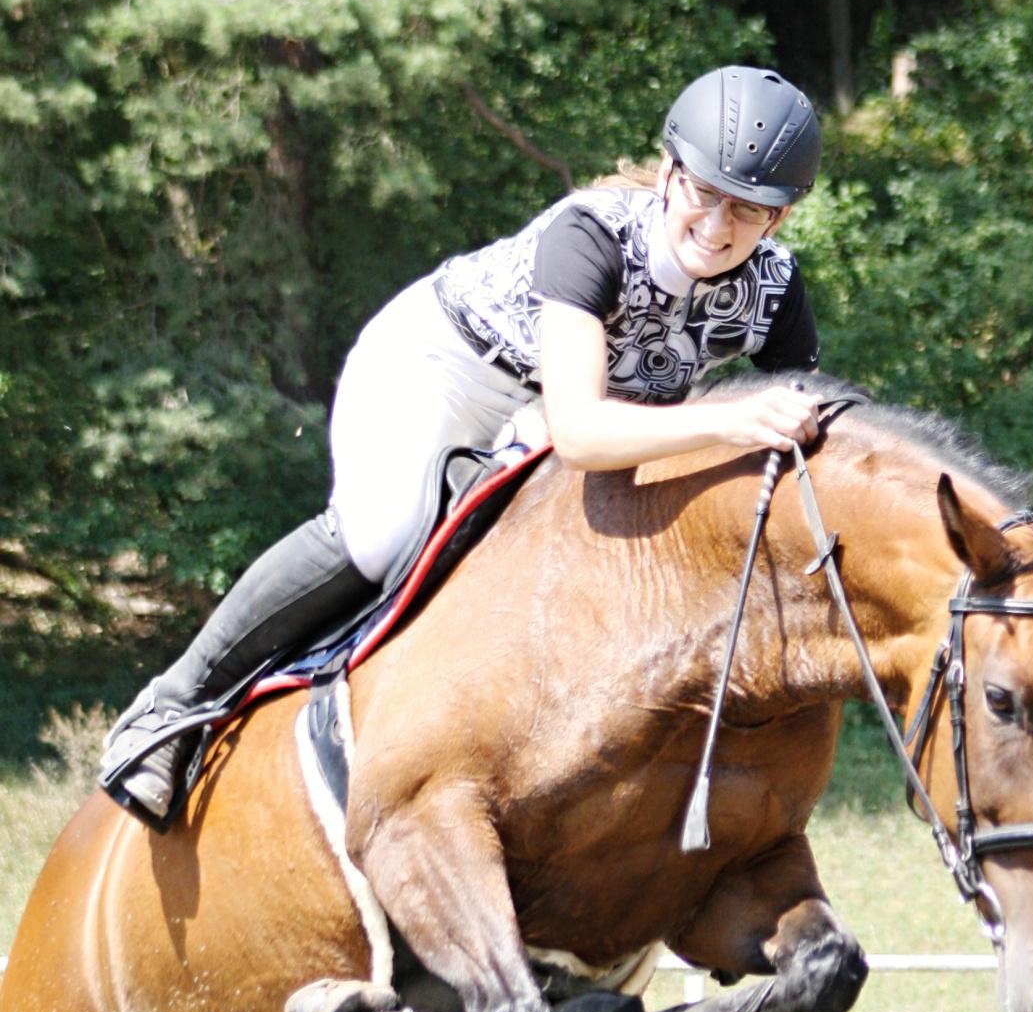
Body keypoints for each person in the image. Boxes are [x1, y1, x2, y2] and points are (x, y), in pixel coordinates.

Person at [100, 64, 824, 825]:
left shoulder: (774, 289)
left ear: (777, 218)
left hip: (556, 418)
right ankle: (169, 707)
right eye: (704, 192)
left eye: (747, 208)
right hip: (446, 371)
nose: (717, 225)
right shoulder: (593, 235)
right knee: (384, 535)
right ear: (671, 174)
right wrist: (730, 420)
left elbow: (816, 419)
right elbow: (581, 430)